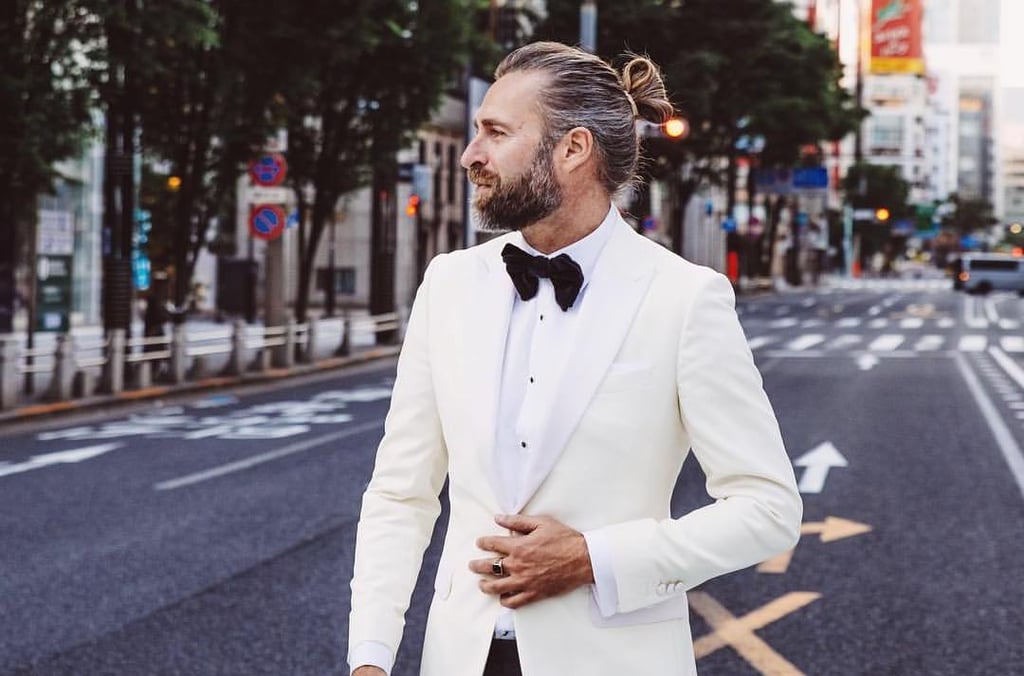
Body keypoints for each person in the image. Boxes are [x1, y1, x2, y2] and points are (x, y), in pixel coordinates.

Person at [348, 41, 802, 676]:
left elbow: (768, 508)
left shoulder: (682, 298)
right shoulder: (449, 284)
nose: (471, 155)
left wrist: (596, 557)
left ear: (573, 149)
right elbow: (401, 492)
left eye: (495, 133)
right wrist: (369, 656)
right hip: (460, 658)